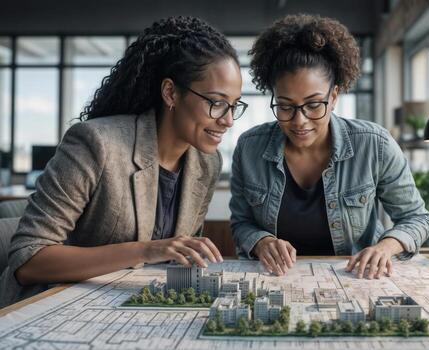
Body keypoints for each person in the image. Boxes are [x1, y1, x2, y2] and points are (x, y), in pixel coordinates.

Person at [0, 16, 247, 307]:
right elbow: (28, 260)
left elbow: (179, 254)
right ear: (170, 93)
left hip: (126, 307)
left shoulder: (207, 163)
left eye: (234, 105)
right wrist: (145, 251)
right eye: (216, 103)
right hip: (50, 307)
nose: (228, 120)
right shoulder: (96, 143)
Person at [230, 14, 429, 279]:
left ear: (334, 96)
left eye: (314, 104)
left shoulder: (374, 144)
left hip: (356, 279)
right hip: (276, 280)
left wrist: (385, 247)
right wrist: (261, 242)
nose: (299, 121)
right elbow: (241, 223)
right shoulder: (249, 148)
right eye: (285, 106)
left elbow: (416, 218)